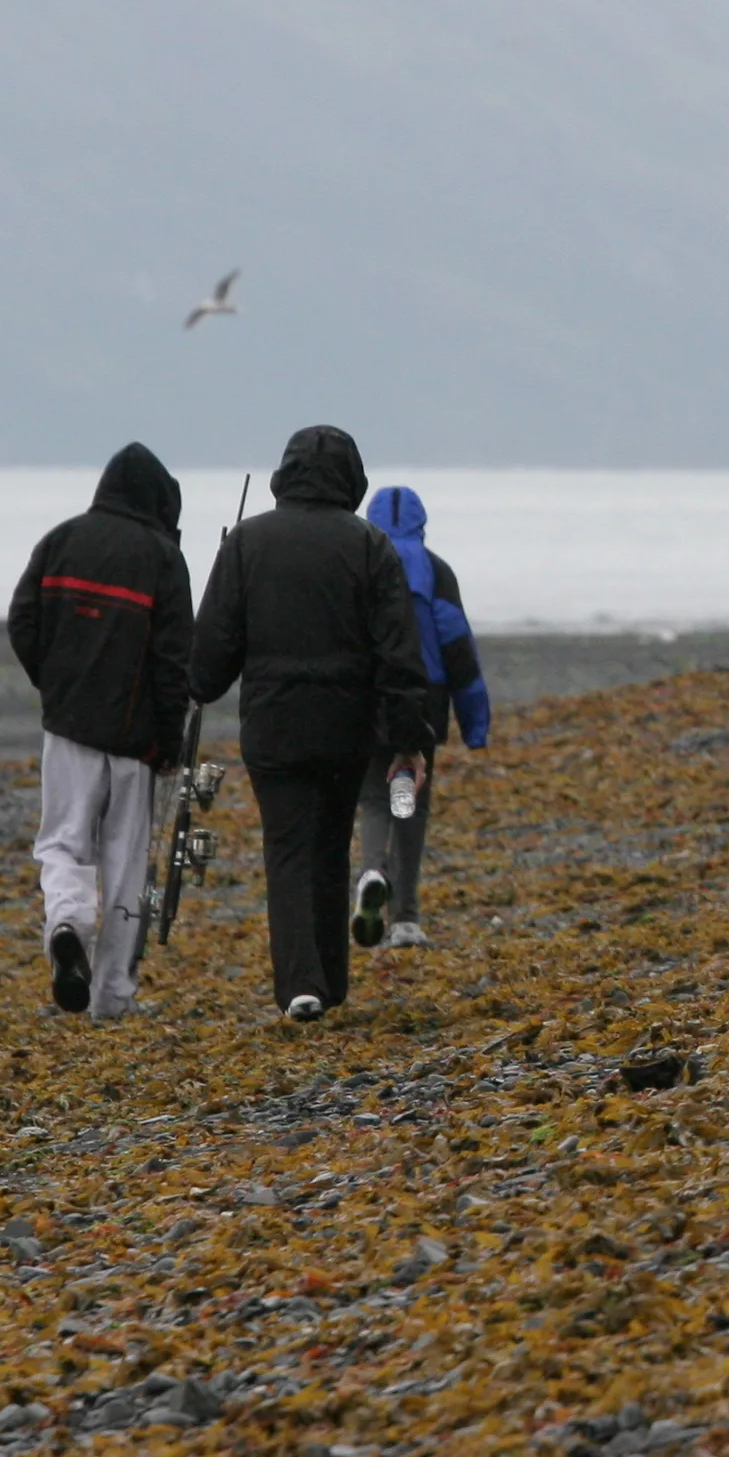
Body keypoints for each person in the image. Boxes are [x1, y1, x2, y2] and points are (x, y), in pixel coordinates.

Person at [190, 425, 428, 1022]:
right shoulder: (370, 545)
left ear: (284, 474)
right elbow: (400, 654)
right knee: (329, 843)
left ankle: (302, 984)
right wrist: (409, 741)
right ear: (351, 478)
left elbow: (212, 655)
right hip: (347, 727)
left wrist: (193, 687)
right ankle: (330, 981)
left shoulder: (246, 543)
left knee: (289, 849)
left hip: (273, 727)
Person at [7, 443, 195, 1019]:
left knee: (63, 842)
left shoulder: (61, 540)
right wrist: (170, 743)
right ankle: (112, 995)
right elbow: (173, 663)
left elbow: (23, 620)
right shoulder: (164, 559)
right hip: (135, 743)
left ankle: (67, 923)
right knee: (125, 863)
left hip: (67, 731)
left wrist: (56, 685)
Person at [354, 485, 491, 951]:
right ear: (421, 523)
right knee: (411, 798)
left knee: (373, 796)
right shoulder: (436, 571)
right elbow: (458, 646)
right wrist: (476, 725)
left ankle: (372, 869)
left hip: (367, 698)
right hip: (426, 698)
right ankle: (406, 917)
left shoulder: (358, 565)